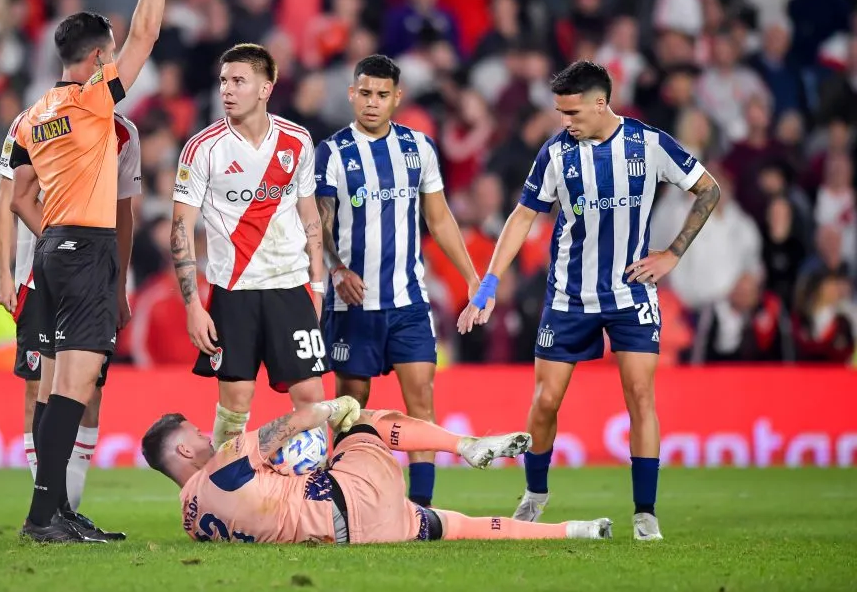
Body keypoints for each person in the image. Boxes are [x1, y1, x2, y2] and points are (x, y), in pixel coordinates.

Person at [458, 61, 721, 541]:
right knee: (545, 401)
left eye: (573, 112)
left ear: (601, 103)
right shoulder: (556, 153)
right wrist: (489, 285)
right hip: (569, 294)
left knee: (641, 396)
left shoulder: (650, 144)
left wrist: (672, 253)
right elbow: (521, 218)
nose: (566, 121)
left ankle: (645, 513)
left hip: (631, 291)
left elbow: (708, 190)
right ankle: (535, 494)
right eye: (560, 112)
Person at [3, 0, 168, 543]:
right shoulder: (93, 99)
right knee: (75, 383)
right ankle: (44, 517)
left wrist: (54, 232)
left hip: (51, 247)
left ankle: (56, 512)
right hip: (85, 248)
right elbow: (148, 32)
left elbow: (19, 193)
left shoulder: (34, 113)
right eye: (110, 49)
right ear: (97, 58)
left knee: (54, 387)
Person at [314, 54, 479, 509]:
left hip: (408, 299)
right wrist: (336, 267)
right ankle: (346, 497)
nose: (372, 102)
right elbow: (320, 224)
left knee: (421, 398)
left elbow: (440, 218)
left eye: (382, 95)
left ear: (397, 98)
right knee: (351, 404)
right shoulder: (331, 152)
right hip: (353, 302)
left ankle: (421, 507)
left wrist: (470, 275)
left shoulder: (419, 148)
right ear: (352, 93)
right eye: (364, 93)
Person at [140, 397, 613, 545]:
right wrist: (334, 406)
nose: (207, 435)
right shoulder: (223, 461)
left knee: (454, 526)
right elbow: (296, 421)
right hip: (349, 498)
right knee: (367, 422)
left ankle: (577, 531)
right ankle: (464, 446)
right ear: (183, 451)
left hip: (356, 535)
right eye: (196, 433)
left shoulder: (190, 520)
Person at [0, 107, 141, 541]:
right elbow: (10, 195)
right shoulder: (35, 118)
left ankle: (63, 507)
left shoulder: (124, 133)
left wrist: (119, 284)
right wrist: (4, 272)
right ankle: (53, 507)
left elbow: (123, 214)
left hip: (94, 275)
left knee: (88, 385)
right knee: (39, 385)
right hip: (40, 274)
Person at [170, 43, 327, 450]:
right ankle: (225, 495)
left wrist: (319, 285)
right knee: (235, 403)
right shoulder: (202, 147)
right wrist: (193, 306)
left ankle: (315, 491)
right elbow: (181, 228)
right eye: (223, 81)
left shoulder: (297, 141)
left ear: (265, 88)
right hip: (232, 292)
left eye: (239, 81)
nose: (227, 90)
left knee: (310, 397)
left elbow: (311, 217)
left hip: (289, 288)